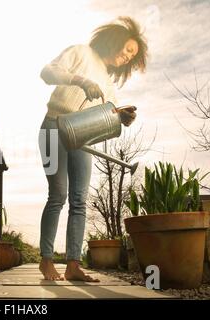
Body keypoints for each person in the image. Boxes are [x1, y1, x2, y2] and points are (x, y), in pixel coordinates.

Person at [38, 16, 148, 281]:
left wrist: (121, 118)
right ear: (115, 40)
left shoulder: (110, 85)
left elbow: (105, 120)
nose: (127, 56)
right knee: (58, 195)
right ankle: (46, 260)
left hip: (82, 140)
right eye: (128, 49)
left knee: (79, 201)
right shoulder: (80, 52)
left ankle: (74, 264)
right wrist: (80, 81)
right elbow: (46, 72)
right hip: (53, 128)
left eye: (132, 56)